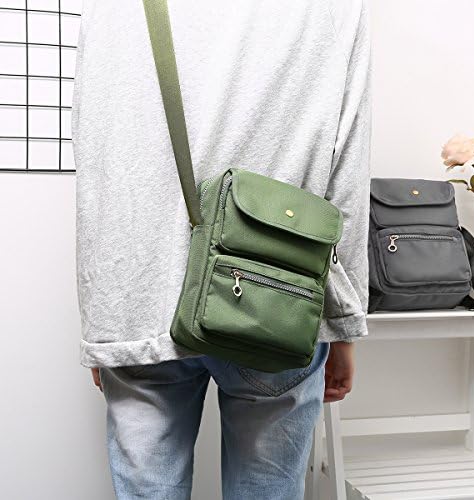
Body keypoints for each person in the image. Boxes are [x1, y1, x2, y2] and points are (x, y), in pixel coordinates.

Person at [72, 0, 371, 498]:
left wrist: (105, 326)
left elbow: (96, 146)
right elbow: (349, 166)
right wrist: (344, 321)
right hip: (278, 296)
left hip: (139, 288)